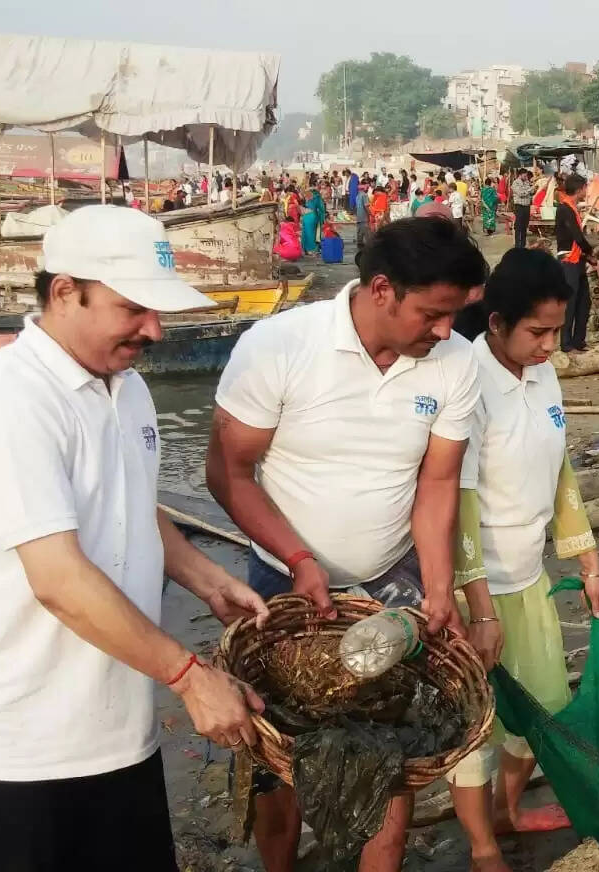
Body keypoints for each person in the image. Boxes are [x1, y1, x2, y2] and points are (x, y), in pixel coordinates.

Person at [0, 206, 271, 871]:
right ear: (64, 292)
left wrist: (207, 576)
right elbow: (57, 579)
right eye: (134, 308)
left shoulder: (128, 388)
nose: (155, 329)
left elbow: (134, 503)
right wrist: (191, 677)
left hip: (116, 730)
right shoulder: (9, 399)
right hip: (15, 746)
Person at [207, 218, 490, 872]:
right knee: (274, 756)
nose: (445, 331)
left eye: (455, 316)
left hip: (391, 580)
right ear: (383, 289)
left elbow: (438, 481)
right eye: (433, 314)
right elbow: (228, 474)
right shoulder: (280, 344)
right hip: (281, 580)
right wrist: (301, 559)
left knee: (389, 757)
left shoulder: (454, 362)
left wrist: (441, 589)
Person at [446, 249, 599, 872]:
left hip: (530, 576)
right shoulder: (468, 380)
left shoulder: (544, 375)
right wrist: (478, 606)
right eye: (537, 332)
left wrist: (588, 558)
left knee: (541, 709)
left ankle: (508, 810)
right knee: (474, 726)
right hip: (475, 586)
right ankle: (483, 845)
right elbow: (456, 500)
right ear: (495, 323)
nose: (549, 346)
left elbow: (560, 469)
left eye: (556, 331)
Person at [554, 174, 599, 352]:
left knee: (584, 301)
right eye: (585, 188)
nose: (586, 191)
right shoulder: (565, 209)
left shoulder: (572, 208)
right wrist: (590, 252)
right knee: (570, 303)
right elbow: (577, 236)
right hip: (568, 260)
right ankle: (566, 343)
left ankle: (579, 340)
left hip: (577, 259)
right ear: (579, 189)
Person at [300, 185, 327, 255]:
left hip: (305, 217)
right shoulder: (317, 197)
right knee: (312, 234)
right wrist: (322, 217)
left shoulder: (307, 197)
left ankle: (306, 249)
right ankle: (313, 249)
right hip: (312, 216)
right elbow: (321, 209)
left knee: (306, 233)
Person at [511, 170, 534, 249]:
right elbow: (521, 193)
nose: (526, 177)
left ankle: (523, 245)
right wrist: (530, 189)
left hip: (527, 206)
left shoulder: (527, 182)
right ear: (520, 175)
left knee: (525, 226)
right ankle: (517, 245)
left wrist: (532, 189)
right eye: (524, 176)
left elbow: (531, 193)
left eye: (526, 176)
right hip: (519, 206)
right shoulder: (515, 183)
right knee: (518, 226)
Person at [355, 180, 371, 252]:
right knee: (366, 232)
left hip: (359, 216)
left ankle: (360, 244)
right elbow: (366, 206)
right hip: (364, 216)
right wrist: (370, 214)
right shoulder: (364, 195)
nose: (367, 189)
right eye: (367, 188)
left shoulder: (358, 195)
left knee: (359, 232)